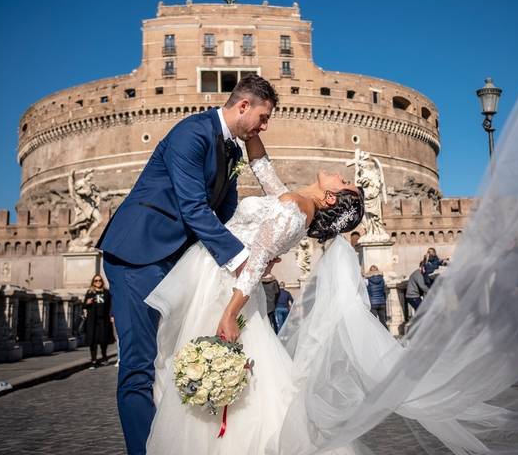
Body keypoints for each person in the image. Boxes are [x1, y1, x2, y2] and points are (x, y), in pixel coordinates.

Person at [144, 132, 366, 454]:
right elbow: (263, 170)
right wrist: (252, 134)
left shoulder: (295, 208)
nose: (340, 175)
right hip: (224, 277)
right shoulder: (295, 205)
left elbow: (258, 259)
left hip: (223, 286)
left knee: (206, 362)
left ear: (331, 197)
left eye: (344, 181)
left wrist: (230, 313)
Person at [96, 74, 277, 455]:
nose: (264, 127)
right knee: (139, 366)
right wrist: (243, 260)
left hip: (174, 261)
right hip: (137, 255)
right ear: (243, 105)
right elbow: (193, 207)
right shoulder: (191, 133)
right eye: (263, 117)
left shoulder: (231, 152)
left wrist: (257, 252)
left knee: (169, 359)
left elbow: (224, 215)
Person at [83, 274, 114, 368]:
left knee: (103, 340)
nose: (98, 282)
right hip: (92, 320)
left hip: (104, 320)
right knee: (93, 340)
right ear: (93, 282)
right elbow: (84, 306)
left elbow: (110, 305)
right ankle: (93, 360)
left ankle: (104, 357)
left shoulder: (106, 292)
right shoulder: (90, 292)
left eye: (99, 280)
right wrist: (87, 303)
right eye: (96, 281)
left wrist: (112, 315)